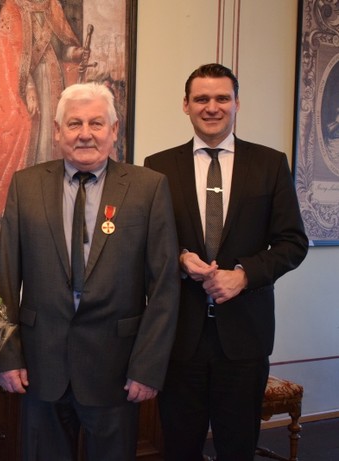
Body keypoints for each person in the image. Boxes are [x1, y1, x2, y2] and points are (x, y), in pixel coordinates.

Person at [0, 82, 180, 461]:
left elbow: (164, 286)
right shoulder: (25, 184)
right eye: (74, 123)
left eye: (97, 123)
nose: (85, 134)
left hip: (116, 368)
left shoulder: (148, 187)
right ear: (58, 131)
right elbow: (6, 280)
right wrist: (6, 356)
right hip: (41, 365)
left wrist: (148, 367)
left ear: (114, 130)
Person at [144, 63, 309, 461]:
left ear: (237, 104)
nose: (212, 107)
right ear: (186, 105)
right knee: (179, 448)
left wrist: (245, 275)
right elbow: (148, 244)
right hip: (180, 337)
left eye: (222, 98)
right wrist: (180, 258)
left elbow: (293, 242)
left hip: (245, 338)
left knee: (237, 448)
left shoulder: (270, 164)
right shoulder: (158, 167)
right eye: (201, 98)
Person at [0, 0, 87, 225]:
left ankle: (54, 200)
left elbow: (63, 48)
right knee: (36, 133)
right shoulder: (12, 9)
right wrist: (29, 88)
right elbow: (10, 58)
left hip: (55, 83)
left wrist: (77, 53)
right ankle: (32, 202)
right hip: (27, 86)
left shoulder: (52, 6)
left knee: (52, 138)